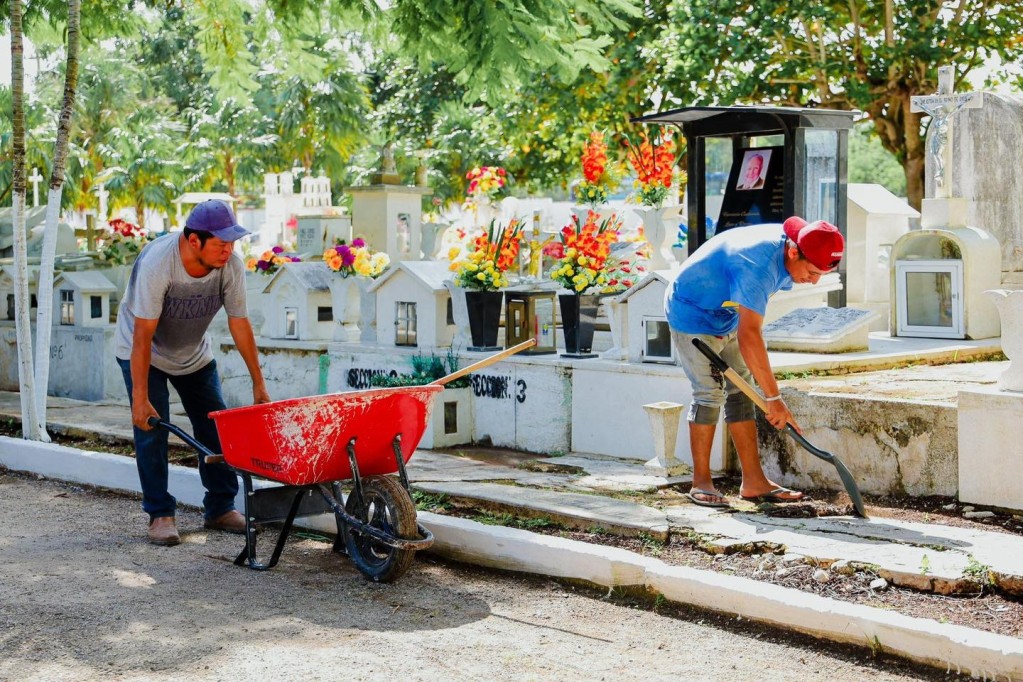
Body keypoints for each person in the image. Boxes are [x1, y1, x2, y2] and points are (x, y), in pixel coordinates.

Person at [115, 199, 271, 546]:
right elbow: (142, 337)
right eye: (221, 243)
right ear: (194, 240)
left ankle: (220, 507)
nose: (228, 250)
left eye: (232, 243)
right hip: (145, 352)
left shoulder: (230, 267)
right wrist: (139, 398)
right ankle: (160, 514)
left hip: (193, 354)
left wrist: (259, 384)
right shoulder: (159, 264)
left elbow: (239, 323)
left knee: (216, 425)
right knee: (152, 430)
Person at [665, 216, 844, 507]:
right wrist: (774, 398)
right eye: (812, 272)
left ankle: (753, 481)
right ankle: (701, 482)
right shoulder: (757, 264)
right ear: (793, 252)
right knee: (709, 393)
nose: (814, 281)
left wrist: (770, 396)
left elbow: (749, 324)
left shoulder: (793, 248)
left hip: (726, 313)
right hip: (692, 311)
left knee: (743, 391)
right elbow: (750, 336)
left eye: (821, 275)